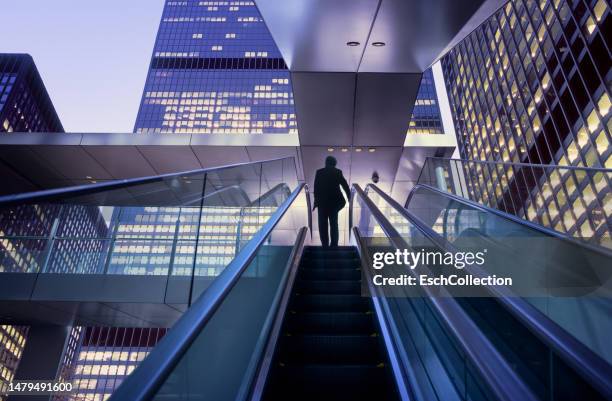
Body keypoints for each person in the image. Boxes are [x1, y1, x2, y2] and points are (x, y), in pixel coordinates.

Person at [313, 156, 351, 247]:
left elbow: (316, 188)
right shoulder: (338, 172)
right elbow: (345, 185)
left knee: (322, 225)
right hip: (334, 203)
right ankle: (334, 245)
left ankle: (325, 245)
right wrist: (349, 197)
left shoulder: (319, 172)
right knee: (334, 224)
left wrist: (315, 202)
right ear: (334, 164)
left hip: (322, 203)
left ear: (326, 163)